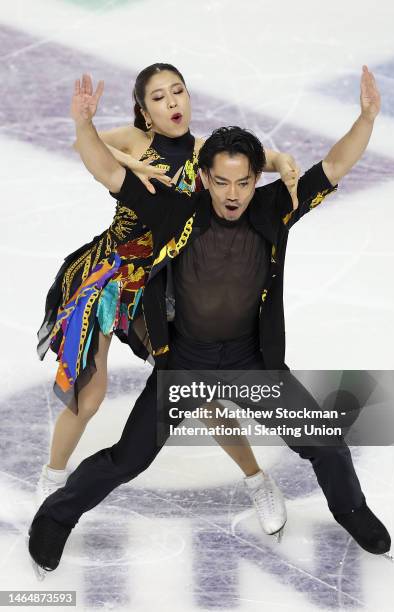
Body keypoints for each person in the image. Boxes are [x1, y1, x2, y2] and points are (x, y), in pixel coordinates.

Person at [29, 65, 391, 578]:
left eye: (243, 182)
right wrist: (84, 126)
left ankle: (352, 511)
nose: (232, 194)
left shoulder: (274, 207)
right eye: (220, 181)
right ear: (203, 178)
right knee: (126, 461)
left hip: (251, 363)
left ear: (256, 179)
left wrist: (367, 118)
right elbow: (107, 172)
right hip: (185, 365)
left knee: (326, 442)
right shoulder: (175, 212)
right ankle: (55, 517)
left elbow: (333, 166)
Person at [36, 63, 300, 534]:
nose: (173, 102)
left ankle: (257, 480)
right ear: (145, 111)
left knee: (198, 390)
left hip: (158, 284)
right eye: (159, 97)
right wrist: (89, 126)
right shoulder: (136, 141)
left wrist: (281, 163)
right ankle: (53, 478)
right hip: (108, 276)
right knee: (91, 393)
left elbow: (260, 159)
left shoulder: (205, 153)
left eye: (178, 91)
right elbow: (93, 148)